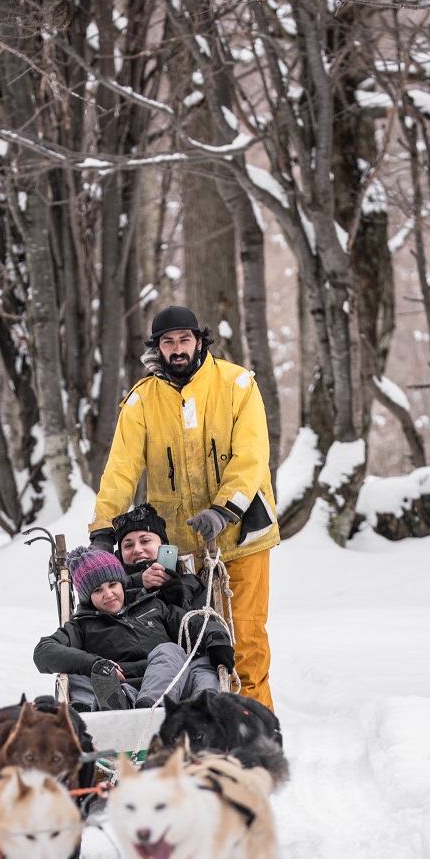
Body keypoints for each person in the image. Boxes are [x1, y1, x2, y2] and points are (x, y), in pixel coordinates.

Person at [89, 305, 279, 711]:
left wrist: (223, 510)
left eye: (184, 340)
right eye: (168, 341)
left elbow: (251, 456)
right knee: (184, 639)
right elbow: (121, 468)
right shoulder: (141, 401)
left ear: (199, 340)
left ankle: (256, 730)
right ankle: (195, 729)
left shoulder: (237, 384)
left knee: (244, 641)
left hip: (240, 535)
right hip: (176, 546)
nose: (177, 349)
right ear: (157, 347)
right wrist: (103, 530)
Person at [33, 545, 234, 712]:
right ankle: (100, 712)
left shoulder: (153, 606)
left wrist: (218, 641)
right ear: (87, 597)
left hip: (167, 683)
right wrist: (94, 663)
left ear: (122, 583)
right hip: (122, 687)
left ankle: (165, 708)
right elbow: (43, 651)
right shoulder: (82, 625)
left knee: (174, 651)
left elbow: (197, 623)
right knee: (76, 668)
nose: (109, 594)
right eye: (98, 590)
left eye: (112, 585)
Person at [113, 502, 207, 613]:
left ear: (164, 545)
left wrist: (179, 604)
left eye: (145, 541)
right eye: (128, 545)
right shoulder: (109, 591)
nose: (137, 550)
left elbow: (207, 625)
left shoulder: (194, 585)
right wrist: (138, 582)